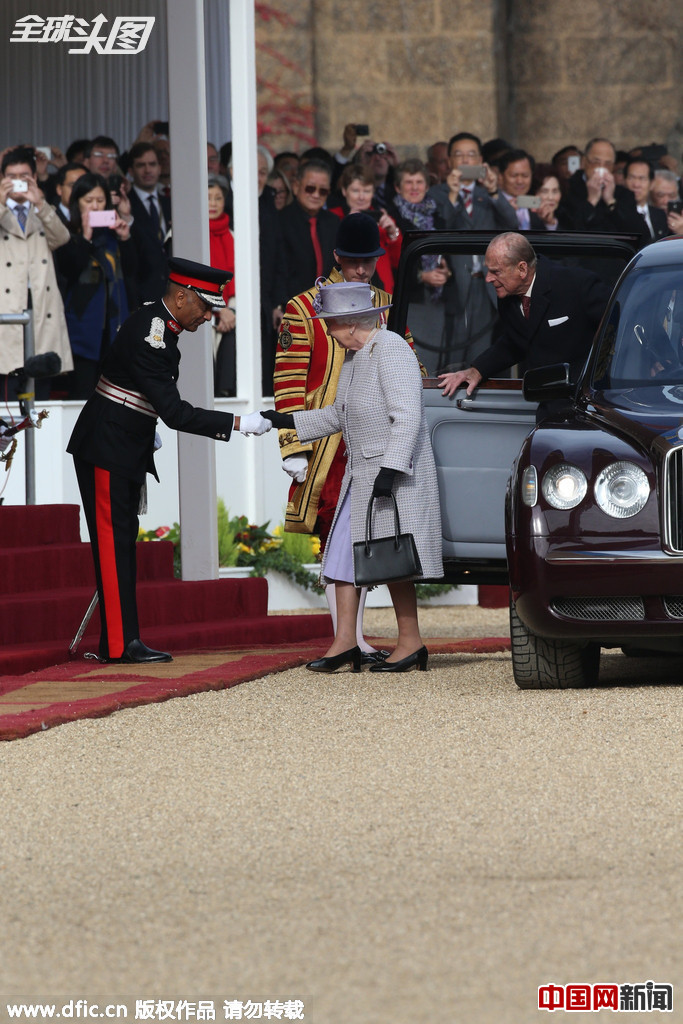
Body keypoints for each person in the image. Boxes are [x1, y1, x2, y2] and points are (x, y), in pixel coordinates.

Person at [67, 258, 273, 665]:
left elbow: (121, 377)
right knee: (113, 546)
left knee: (122, 545)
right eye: (204, 305)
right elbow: (176, 413)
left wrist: (139, 417)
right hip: (108, 444)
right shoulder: (154, 334)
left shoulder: (157, 324)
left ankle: (125, 639)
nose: (208, 315)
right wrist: (239, 422)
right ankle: (118, 645)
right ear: (181, 296)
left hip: (120, 438)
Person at [264, 280, 443, 673]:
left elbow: (407, 415)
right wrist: (283, 420)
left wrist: (391, 469)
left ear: (348, 323)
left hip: (391, 476)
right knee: (344, 555)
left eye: (329, 322)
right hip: (361, 477)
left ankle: (410, 644)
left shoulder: (390, 347)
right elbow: (336, 415)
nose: (326, 330)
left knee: (396, 558)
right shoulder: (355, 357)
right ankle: (346, 642)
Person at [438, 232, 611, 410]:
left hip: (590, 406)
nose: (488, 278)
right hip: (547, 406)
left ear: (522, 269)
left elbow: (619, 328)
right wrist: (476, 371)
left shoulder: (575, 284)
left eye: (495, 271)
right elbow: (517, 341)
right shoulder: (507, 295)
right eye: (488, 270)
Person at [54, 173, 138, 399]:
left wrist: (125, 238)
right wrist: (85, 237)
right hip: (81, 330)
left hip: (113, 326)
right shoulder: (65, 232)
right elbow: (69, 270)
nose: (94, 206)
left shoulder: (113, 234)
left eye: (100, 201)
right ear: (76, 201)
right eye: (88, 201)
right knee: (82, 395)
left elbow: (131, 272)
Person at [0, 145, 73, 400]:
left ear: (34, 177)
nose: (17, 183)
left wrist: (40, 202)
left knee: (40, 394)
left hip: (40, 307)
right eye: (11, 177)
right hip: (7, 308)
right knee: (7, 395)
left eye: (24, 177)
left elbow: (62, 238)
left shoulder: (42, 210)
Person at [329, 164, 401, 291]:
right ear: (345, 191)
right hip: (343, 293)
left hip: (382, 294)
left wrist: (393, 233)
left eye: (367, 191)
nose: (361, 197)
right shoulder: (332, 218)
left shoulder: (383, 220)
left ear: (373, 193)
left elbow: (399, 263)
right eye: (356, 191)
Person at [278, 158, 338, 304]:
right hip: (291, 304)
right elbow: (277, 270)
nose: (316, 195)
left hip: (330, 306)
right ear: (296, 186)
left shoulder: (334, 222)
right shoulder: (281, 220)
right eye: (310, 188)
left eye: (323, 191)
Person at [127, 141, 172, 302]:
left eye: (152, 164)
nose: (147, 170)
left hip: (172, 295)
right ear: (131, 171)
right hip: (140, 296)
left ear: (160, 168)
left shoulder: (170, 204)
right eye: (141, 165)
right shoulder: (125, 206)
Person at [207, 176, 236, 396]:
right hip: (202, 312)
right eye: (208, 198)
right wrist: (219, 310)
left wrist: (231, 311)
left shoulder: (233, 237)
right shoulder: (186, 235)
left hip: (231, 313)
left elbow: (241, 279)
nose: (213, 203)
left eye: (218, 198)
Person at [623, 158, 668, 242]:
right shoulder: (617, 214)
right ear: (624, 181)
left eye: (642, 178)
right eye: (631, 178)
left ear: (651, 184)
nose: (636, 184)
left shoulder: (660, 215)